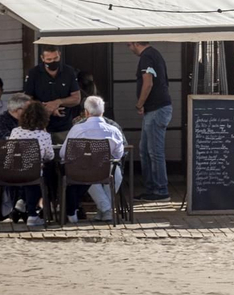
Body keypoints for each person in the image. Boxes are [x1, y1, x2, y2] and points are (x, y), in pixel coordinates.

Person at [61, 95, 127, 222]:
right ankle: (106, 210)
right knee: (115, 173)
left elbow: (64, 154)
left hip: (85, 169)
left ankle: (105, 209)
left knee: (87, 173)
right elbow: (118, 155)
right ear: (103, 112)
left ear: (86, 112)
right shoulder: (113, 130)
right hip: (107, 167)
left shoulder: (77, 129)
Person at [128, 40, 172, 201]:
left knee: (154, 151)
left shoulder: (146, 57)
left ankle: (160, 190)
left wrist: (140, 104)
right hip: (158, 108)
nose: (129, 48)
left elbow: (148, 83)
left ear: (134, 43)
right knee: (146, 150)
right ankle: (152, 188)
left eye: (129, 45)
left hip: (156, 109)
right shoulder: (155, 54)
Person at [8, 101, 56, 227]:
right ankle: (32, 215)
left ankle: (22, 202)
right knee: (42, 176)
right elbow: (50, 156)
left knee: (30, 172)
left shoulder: (15, 131)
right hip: (33, 172)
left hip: (13, 171)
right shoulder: (44, 135)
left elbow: (11, 150)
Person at [22, 47, 81, 137]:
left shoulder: (69, 71)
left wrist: (58, 102)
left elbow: (76, 98)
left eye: (56, 58)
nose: (53, 62)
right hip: (40, 127)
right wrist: (46, 108)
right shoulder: (33, 73)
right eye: (49, 59)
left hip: (65, 126)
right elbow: (27, 100)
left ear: (59, 55)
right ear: (42, 58)